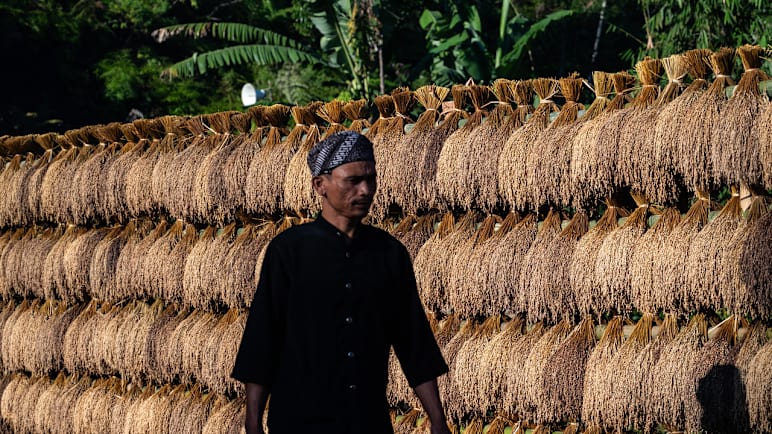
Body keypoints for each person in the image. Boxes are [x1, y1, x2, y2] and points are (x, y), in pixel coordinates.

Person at [232, 131, 451, 434]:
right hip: (299, 423)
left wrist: (438, 419)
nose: (365, 190)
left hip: (368, 422)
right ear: (319, 185)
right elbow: (263, 337)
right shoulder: (289, 252)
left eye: (371, 179)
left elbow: (414, 341)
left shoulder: (389, 254)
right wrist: (253, 421)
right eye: (353, 180)